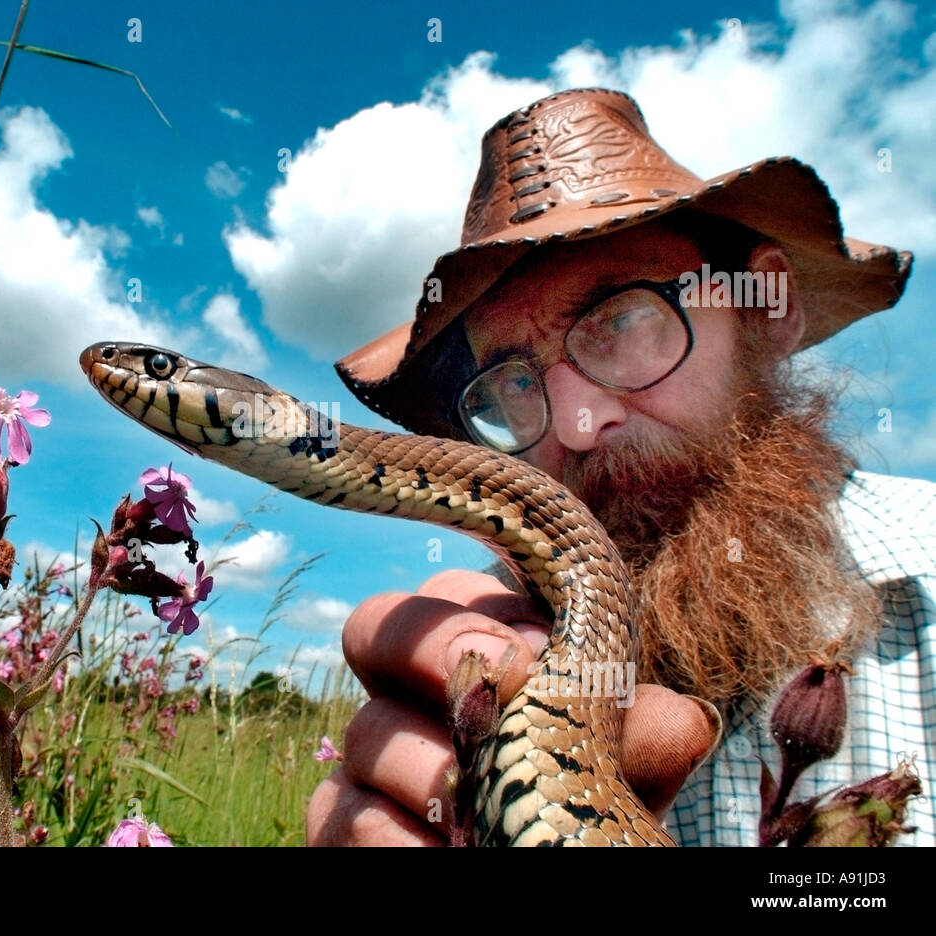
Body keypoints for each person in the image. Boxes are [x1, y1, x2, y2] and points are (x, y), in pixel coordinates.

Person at [306, 88, 932, 846]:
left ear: (765, 311)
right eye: (510, 383)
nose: (577, 424)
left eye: (623, 321)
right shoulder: (493, 646)